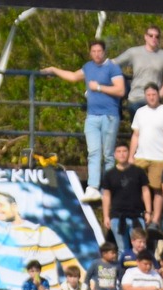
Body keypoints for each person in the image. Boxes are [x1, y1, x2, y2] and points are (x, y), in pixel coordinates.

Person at [42, 40, 127, 192]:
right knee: (93, 152)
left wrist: (99, 87)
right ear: (90, 53)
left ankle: (107, 188)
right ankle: (93, 186)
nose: (97, 54)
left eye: (99, 51)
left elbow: (120, 90)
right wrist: (54, 69)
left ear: (104, 52)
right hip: (92, 116)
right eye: (94, 51)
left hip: (109, 115)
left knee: (108, 155)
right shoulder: (88, 67)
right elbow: (73, 76)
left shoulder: (112, 67)